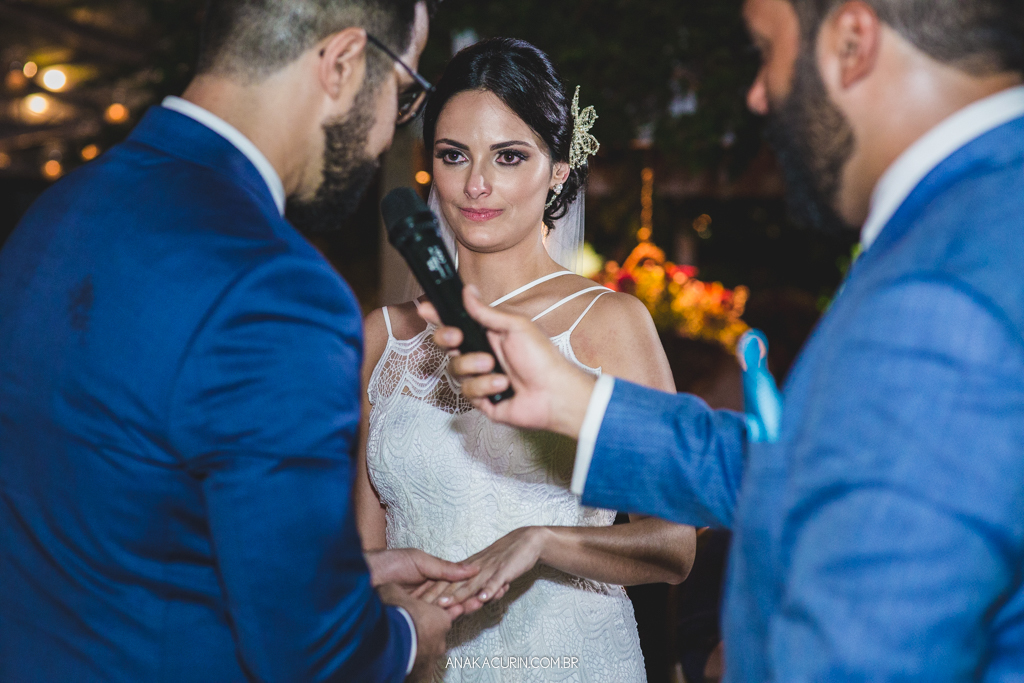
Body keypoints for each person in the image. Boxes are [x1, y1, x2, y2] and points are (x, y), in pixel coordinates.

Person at [425, 0, 1024, 680]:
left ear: (853, 42)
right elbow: (809, 469)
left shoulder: (945, 286)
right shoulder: (984, 218)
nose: (757, 95)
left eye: (767, 53)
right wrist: (581, 405)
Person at [0, 1, 478, 681]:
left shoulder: (59, 210)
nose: (386, 138)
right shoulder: (278, 290)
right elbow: (314, 656)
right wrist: (406, 636)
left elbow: (120, 516)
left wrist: (346, 576)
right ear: (342, 64)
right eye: (403, 94)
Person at [355, 38, 695, 682]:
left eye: (509, 157)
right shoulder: (385, 336)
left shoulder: (608, 324)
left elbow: (674, 544)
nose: (476, 184)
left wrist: (542, 543)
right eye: (455, 156)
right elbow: (365, 553)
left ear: (558, 171)